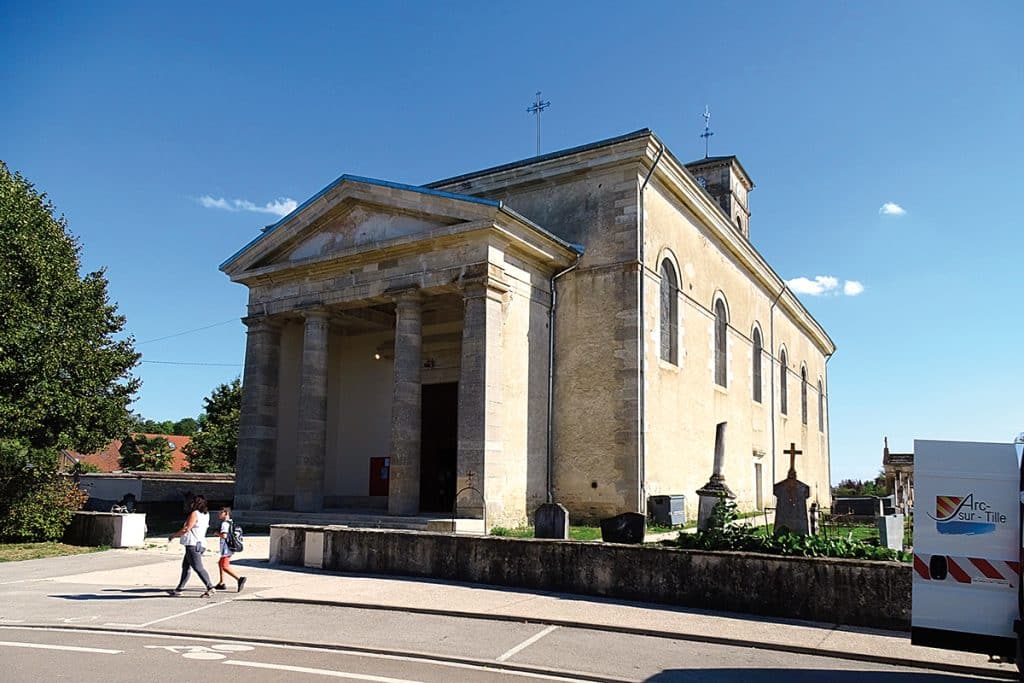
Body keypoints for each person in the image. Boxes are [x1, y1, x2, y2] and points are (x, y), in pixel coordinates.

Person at [166, 495, 216, 597]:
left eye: (192, 502)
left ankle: (210, 587)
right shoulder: (206, 514)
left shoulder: (195, 513)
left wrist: (174, 535)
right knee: (186, 566)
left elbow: (186, 528)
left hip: (193, 544)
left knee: (198, 567)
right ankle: (179, 588)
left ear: (196, 503)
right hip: (201, 543)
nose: (190, 504)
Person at [214, 506, 247, 593]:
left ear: (226, 513)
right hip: (230, 547)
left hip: (226, 548)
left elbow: (224, 536)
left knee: (224, 566)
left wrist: (217, 533)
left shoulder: (224, 524)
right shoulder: (231, 522)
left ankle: (239, 579)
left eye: (221, 512)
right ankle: (221, 582)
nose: (219, 514)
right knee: (220, 563)